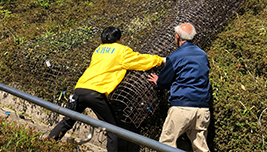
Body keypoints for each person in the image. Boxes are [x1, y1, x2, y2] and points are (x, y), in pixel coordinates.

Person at [48, 26, 165, 152]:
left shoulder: (98, 50)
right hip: (95, 93)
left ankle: (46, 145)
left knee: (68, 120)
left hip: (80, 88)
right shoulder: (121, 50)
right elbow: (140, 61)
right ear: (118, 39)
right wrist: (160, 60)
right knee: (112, 130)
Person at [148, 23, 211, 152]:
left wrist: (158, 81)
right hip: (203, 109)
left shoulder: (175, 56)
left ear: (177, 37)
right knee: (201, 147)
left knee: (166, 144)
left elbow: (164, 81)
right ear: (194, 37)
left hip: (182, 107)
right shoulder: (203, 55)